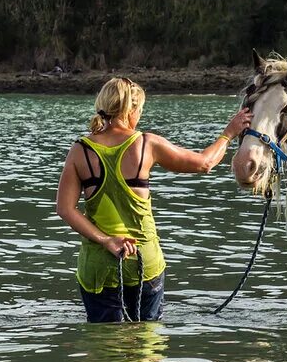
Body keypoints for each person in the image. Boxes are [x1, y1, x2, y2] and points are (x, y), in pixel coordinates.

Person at [56, 77, 251, 322]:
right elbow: (205, 163)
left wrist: (107, 240)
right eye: (140, 110)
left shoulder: (80, 150)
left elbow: (65, 209)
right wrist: (229, 134)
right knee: (146, 347)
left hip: (98, 270)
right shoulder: (146, 144)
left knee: (103, 351)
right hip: (144, 264)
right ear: (131, 110)